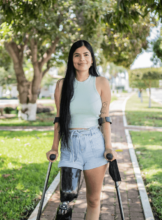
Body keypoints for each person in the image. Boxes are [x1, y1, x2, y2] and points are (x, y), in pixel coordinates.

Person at [46, 40, 118, 220]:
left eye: (86, 55)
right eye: (77, 55)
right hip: (70, 145)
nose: (82, 59)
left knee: (93, 200)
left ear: (92, 60)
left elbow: (104, 117)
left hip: (95, 144)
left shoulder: (101, 82)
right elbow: (59, 119)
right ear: (71, 60)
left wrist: (108, 146)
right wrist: (54, 147)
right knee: (66, 201)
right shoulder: (62, 85)